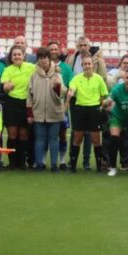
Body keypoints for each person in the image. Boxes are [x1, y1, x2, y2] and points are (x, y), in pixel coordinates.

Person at [66, 51, 109, 174]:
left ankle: (99, 167)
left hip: (94, 110)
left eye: (89, 63)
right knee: (77, 138)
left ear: (92, 65)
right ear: (82, 65)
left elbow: (104, 95)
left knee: (96, 139)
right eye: (85, 64)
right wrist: (69, 96)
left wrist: (100, 105)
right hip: (80, 110)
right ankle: (73, 166)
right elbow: (71, 90)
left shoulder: (99, 79)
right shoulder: (76, 78)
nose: (87, 66)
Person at [27, 48, 66, 172]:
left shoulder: (58, 74)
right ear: (37, 60)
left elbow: (63, 93)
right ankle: (39, 164)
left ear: (49, 58)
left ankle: (54, 165)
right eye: (40, 58)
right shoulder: (33, 75)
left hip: (54, 112)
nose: (43, 60)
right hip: (38, 112)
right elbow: (29, 95)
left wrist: (57, 87)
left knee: (54, 139)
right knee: (39, 139)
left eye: (45, 57)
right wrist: (29, 113)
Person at [0, 46, 35, 169]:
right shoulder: (7, 70)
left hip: (26, 103)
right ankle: (12, 162)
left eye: (19, 54)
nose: (17, 57)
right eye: (14, 55)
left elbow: (45, 69)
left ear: (23, 55)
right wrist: (8, 86)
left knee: (23, 134)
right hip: (11, 103)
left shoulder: (31, 67)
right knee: (12, 134)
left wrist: (56, 68)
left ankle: (22, 162)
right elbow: (5, 87)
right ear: (11, 57)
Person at [48, 41, 74, 169]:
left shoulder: (66, 68)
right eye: (51, 49)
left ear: (59, 51)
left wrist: (67, 103)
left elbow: (70, 87)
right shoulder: (43, 65)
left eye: (55, 49)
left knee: (62, 134)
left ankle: (62, 160)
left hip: (61, 106)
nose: (53, 51)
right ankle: (42, 160)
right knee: (46, 134)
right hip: (46, 106)